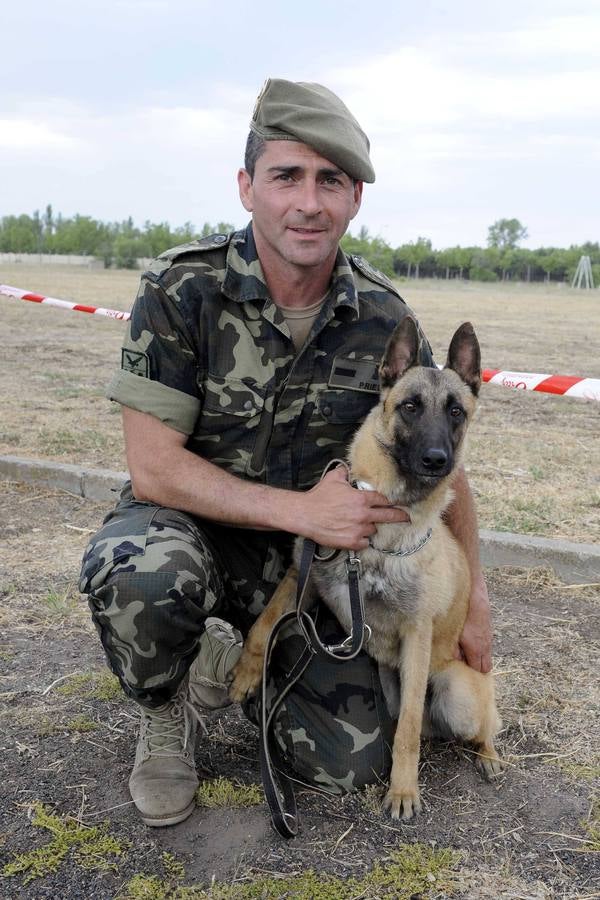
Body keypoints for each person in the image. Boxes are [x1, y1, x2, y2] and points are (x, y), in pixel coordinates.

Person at [79, 78, 493, 828]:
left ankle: (247, 661)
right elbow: (153, 467)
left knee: (352, 767)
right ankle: (167, 706)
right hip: (192, 533)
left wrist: (476, 604)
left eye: (330, 180)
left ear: (355, 198)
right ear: (247, 187)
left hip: (311, 573)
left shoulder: (385, 317)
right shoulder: (181, 289)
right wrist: (300, 511)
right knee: (140, 573)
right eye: (286, 176)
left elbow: (436, 457)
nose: (309, 202)